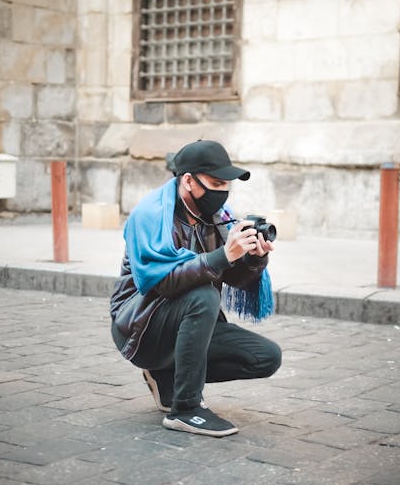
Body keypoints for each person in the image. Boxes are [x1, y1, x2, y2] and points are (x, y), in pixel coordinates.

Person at [110, 139, 282, 437]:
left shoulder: (217, 218)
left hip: (187, 321)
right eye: (216, 183)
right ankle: (186, 409)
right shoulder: (150, 215)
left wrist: (254, 258)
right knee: (204, 295)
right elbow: (162, 283)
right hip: (141, 326)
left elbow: (233, 279)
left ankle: (167, 374)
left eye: (226, 184)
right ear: (188, 180)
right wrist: (223, 255)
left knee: (266, 357)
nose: (222, 192)